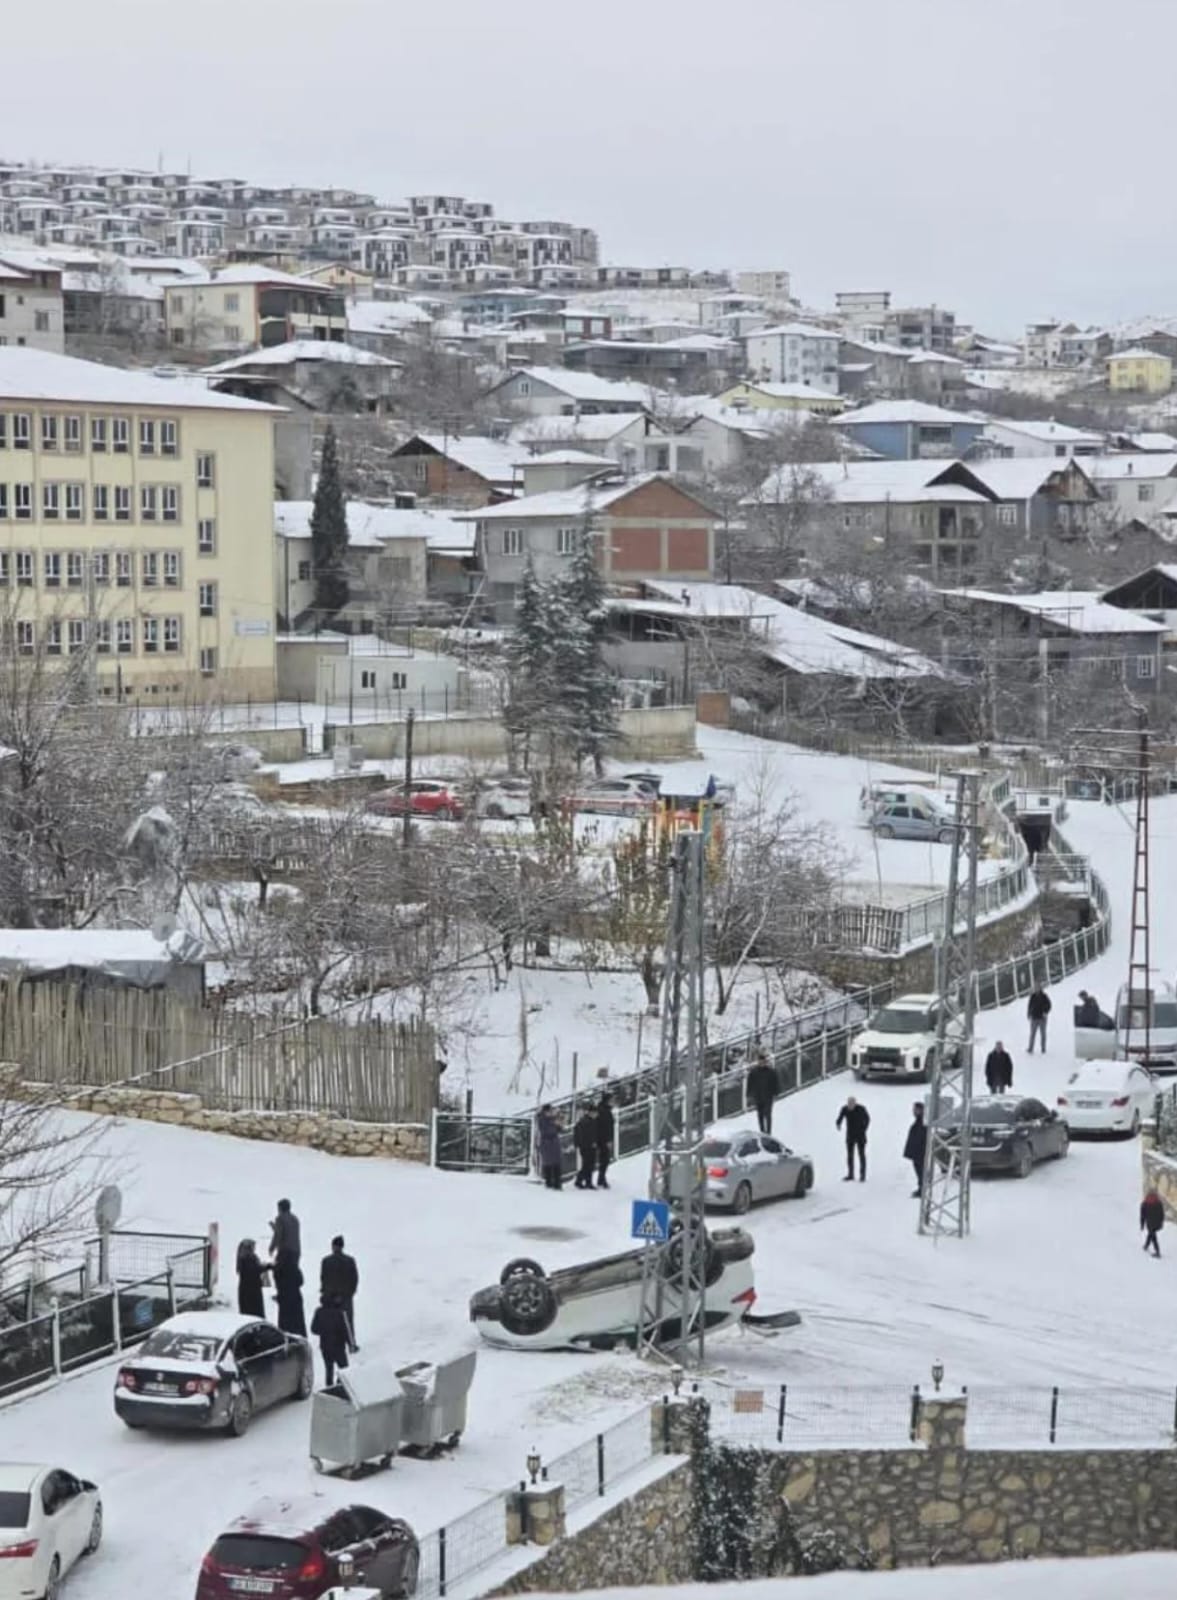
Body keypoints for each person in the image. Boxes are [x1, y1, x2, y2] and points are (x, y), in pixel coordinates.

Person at [320, 1235, 359, 1350]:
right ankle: (351, 1344)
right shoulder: (350, 1261)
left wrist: (325, 1293)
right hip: (346, 1296)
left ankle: (334, 1345)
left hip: (330, 1297)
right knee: (348, 1322)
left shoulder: (326, 1261)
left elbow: (323, 1278)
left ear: (333, 1246)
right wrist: (350, 1293)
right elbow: (354, 1279)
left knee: (332, 1323)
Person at [311, 1294, 352, 1387]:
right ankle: (340, 1385)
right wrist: (350, 1344)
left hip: (325, 1346)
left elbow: (314, 1329)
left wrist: (324, 1330)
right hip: (339, 1346)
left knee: (329, 1369)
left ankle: (329, 1388)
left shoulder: (319, 1312)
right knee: (344, 1368)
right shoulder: (340, 1313)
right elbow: (346, 1330)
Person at [272, 1252, 307, 1337]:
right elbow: (301, 1281)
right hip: (295, 1297)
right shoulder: (294, 1267)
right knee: (297, 1322)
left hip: (283, 1297)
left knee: (285, 1323)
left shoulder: (278, 1269)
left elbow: (277, 1282)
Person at [836, 1096, 870, 1181]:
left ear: (855, 1103)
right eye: (849, 1104)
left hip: (860, 1136)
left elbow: (868, 1119)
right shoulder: (844, 1109)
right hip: (850, 1136)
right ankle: (850, 1174)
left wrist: (864, 1128)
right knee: (850, 1156)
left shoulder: (861, 1109)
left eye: (852, 1104)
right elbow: (840, 1117)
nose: (850, 1106)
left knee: (861, 1155)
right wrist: (838, 1123)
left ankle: (862, 1175)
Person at [746, 1050, 779, 1136]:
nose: (762, 1063)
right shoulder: (753, 1072)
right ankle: (762, 1131)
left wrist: (776, 1092)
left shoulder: (771, 1072)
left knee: (767, 1114)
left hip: (768, 1096)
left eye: (763, 1061)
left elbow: (775, 1082)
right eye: (760, 1061)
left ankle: (768, 1132)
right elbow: (750, 1084)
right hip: (758, 1096)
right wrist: (749, 1095)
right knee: (760, 1115)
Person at [236, 1239, 269, 1319]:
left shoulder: (244, 1258)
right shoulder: (247, 1258)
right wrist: (266, 1267)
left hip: (248, 1290)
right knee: (253, 1314)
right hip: (251, 1291)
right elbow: (253, 1271)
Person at [537, 1105, 564, 1190]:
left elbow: (559, 1130)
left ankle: (557, 1183)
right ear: (545, 1112)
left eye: (551, 1111)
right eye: (549, 1111)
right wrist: (554, 1124)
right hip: (547, 1143)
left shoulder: (552, 1119)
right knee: (548, 1163)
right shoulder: (542, 1119)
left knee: (557, 1163)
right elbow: (546, 1131)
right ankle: (549, 1182)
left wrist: (559, 1125)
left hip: (554, 1143)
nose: (550, 1113)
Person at [903, 1104, 927, 1198]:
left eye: (915, 1110)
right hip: (916, 1151)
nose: (914, 1111)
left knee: (921, 1170)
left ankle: (922, 1189)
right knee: (919, 1169)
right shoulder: (918, 1120)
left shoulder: (922, 1121)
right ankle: (921, 1188)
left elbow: (921, 1136)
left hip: (920, 1151)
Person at [270, 1198, 301, 1266]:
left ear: (280, 1208)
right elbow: (288, 1233)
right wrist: (275, 1228)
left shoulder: (280, 1218)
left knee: (280, 1272)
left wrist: (271, 1248)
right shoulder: (295, 1219)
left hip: (285, 1251)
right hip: (296, 1252)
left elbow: (278, 1235)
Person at [573, 1107, 598, 1189]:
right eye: (594, 1113)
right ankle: (580, 1181)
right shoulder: (585, 1122)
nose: (596, 1115)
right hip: (586, 1147)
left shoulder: (590, 1121)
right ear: (590, 1113)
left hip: (589, 1146)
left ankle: (587, 1181)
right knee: (587, 1165)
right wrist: (591, 1143)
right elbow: (584, 1135)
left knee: (589, 1165)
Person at [595, 1094, 615, 1190]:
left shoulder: (603, 1110)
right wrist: (608, 1140)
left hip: (602, 1139)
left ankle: (601, 1178)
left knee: (604, 1160)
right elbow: (605, 1127)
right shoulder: (604, 1112)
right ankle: (601, 1179)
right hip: (603, 1140)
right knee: (604, 1160)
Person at [1027, 984, 1052, 1054]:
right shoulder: (1032, 996)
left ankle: (1043, 1048)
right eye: (1035, 988)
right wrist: (1029, 1014)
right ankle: (1030, 1048)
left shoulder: (1044, 996)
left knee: (1043, 1034)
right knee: (1032, 1034)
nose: (1036, 989)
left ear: (1040, 989)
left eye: (1037, 988)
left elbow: (1049, 1005)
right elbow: (1030, 1006)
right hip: (1034, 1018)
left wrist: (1045, 1012)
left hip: (1042, 1018)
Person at [1141, 1190, 1165, 1258]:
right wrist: (1161, 1223)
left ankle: (1157, 1252)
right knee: (1151, 1234)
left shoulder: (1144, 1204)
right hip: (1157, 1224)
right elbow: (1162, 1214)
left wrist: (1142, 1225)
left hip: (1150, 1224)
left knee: (1153, 1237)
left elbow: (1143, 1216)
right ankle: (1146, 1246)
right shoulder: (1159, 1203)